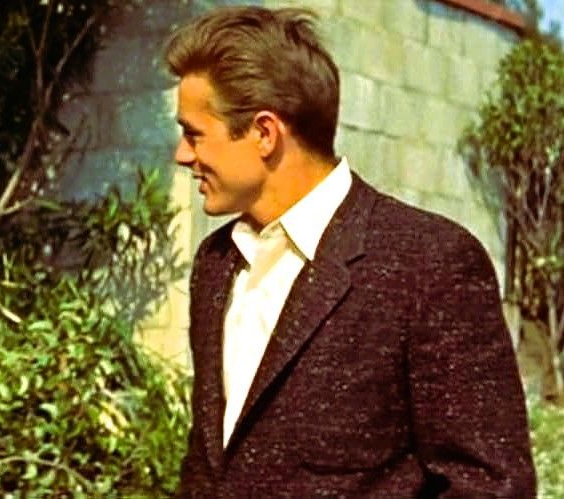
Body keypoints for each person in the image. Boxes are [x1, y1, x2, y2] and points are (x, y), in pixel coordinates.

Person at [166, 6, 535, 497]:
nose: (182, 155)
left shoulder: (430, 264)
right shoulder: (215, 265)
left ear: (264, 133)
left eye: (194, 133)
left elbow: (490, 487)